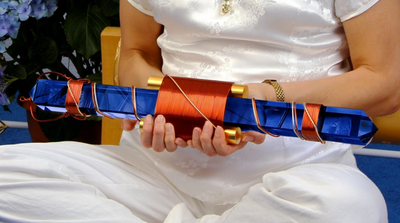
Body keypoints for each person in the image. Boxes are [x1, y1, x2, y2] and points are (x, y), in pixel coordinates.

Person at [0, 0, 399, 222]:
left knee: (349, 206)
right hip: (152, 170)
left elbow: (386, 83)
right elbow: (135, 53)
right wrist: (162, 105)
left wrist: (266, 98)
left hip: (295, 177)